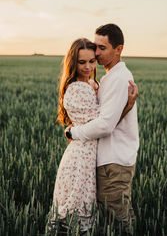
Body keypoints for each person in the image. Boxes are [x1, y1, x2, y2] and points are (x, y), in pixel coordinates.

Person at [47, 37, 138, 235]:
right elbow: (104, 122)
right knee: (75, 210)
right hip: (81, 157)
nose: (88, 66)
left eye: (91, 61)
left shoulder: (90, 84)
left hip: (88, 153)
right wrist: (127, 106)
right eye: (82, 62)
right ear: (73, 63)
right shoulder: (79, 89)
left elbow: (103, 121)